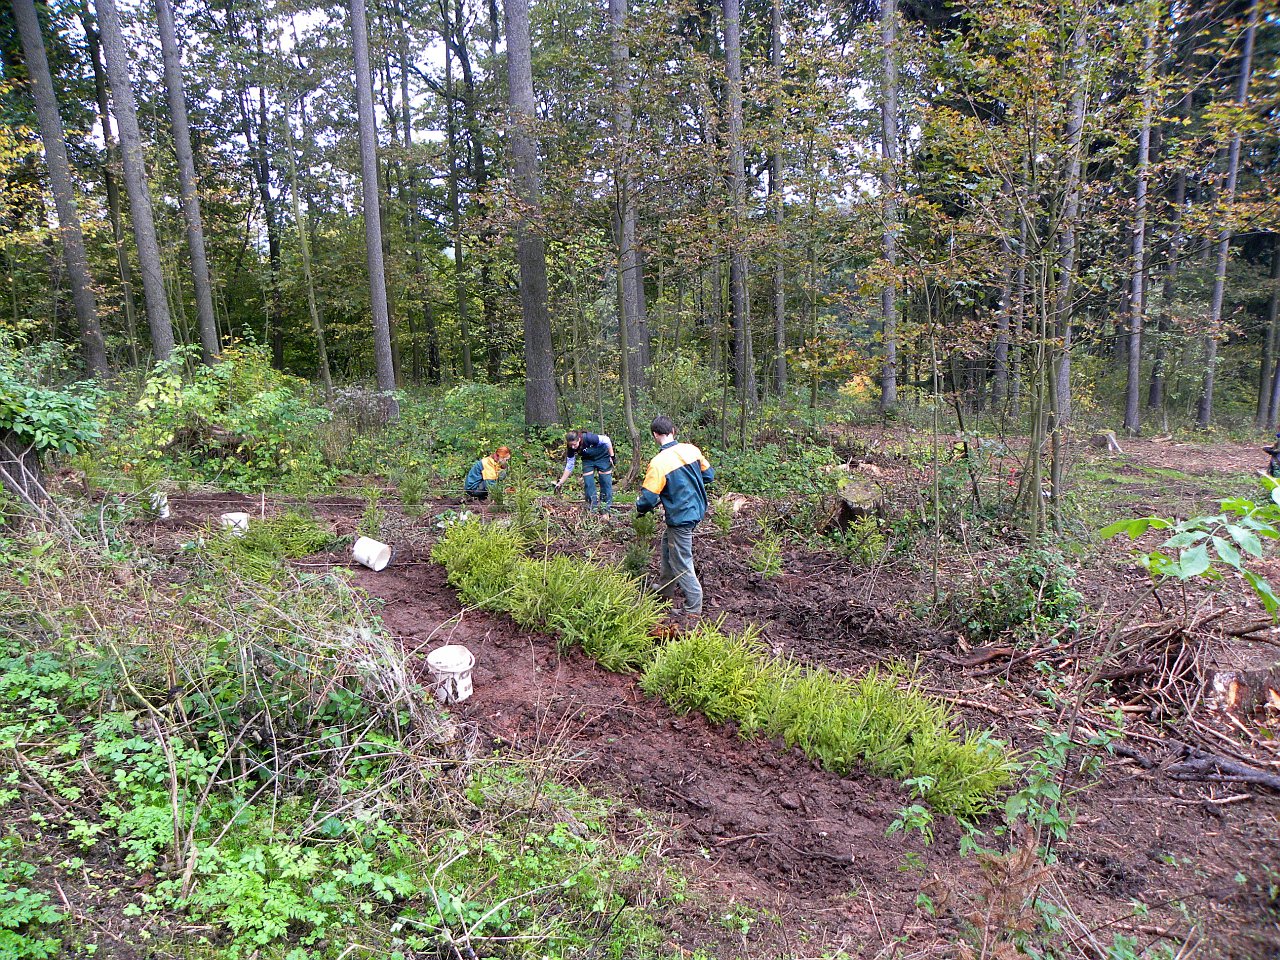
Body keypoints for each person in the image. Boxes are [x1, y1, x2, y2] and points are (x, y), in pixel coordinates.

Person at [635, 416, 714, 623]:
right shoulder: (691, 450)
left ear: (655, 435)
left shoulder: (658, 463)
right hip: (696, 510)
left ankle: (693, 607)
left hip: (681, 516)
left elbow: (647, 499)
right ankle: (664, 590)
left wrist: (640, 508)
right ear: (673, 431)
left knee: (681, 561)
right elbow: (708, 476)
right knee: (667, 547)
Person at [554, 430, 615, 512]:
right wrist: (561, 482)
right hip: (588, 460)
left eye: (574, 444)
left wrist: (612, 456)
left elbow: (606, 440)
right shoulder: (570, 448)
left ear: (579, 440)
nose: (573, 447)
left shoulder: (589, 438)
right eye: (571, 445)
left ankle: (605, 509)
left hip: (602, 456)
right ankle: (592, 509)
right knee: (588, 482)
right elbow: (569, 465)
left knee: (605, 481)